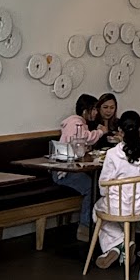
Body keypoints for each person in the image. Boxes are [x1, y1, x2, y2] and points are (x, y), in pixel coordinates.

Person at [95, 110, 140, 270]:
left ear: (120, 130)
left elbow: (103, 185)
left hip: (118, 206)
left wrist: (106, 193)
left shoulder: (112, 154)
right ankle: (122, 247)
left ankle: (119, 242)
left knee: (97, 210)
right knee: (113, 210)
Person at [56, 95, 106, 240]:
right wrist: (100, 132)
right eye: (94, 109)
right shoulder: (76, 123)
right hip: (64, 171)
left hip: (69, 168)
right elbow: (83, 138)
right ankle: (85, 228)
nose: (96, 112)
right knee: (91, 188)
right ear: (85, 111)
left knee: (95, 184)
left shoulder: (79, 123)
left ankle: (91, 226)